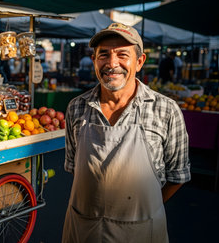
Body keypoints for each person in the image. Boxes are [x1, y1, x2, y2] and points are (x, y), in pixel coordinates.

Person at [63, 23, 190, 243]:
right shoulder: (76, 107)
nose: (112, 64)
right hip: (84, 229)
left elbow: (177, 176)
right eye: (104, 54)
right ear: (94, 60)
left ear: (139, 62)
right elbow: (75, 168)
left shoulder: (166, 111)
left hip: (141, 232)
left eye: (123, 54)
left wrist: (141, 211)